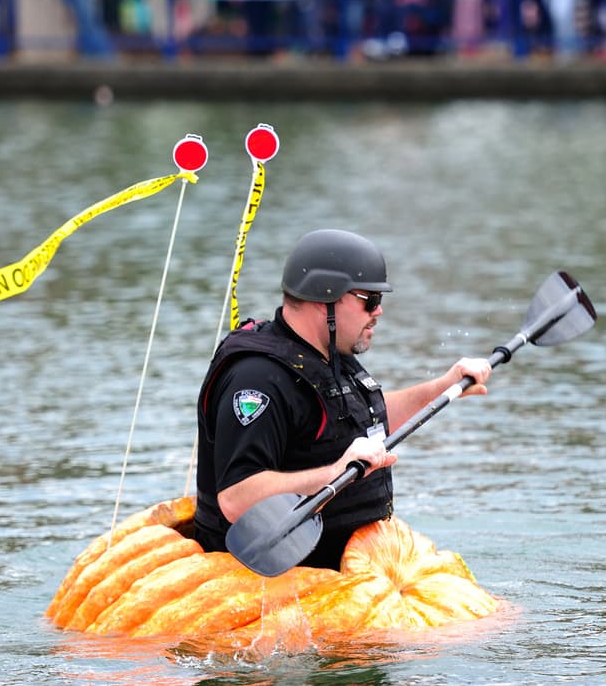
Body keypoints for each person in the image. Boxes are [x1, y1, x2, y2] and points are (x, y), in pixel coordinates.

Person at [194, 229, 493, 571]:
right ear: (327, 300)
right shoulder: (257, 380)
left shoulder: (325, 352)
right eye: (370, 300)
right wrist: (335, 472)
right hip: (269, 576)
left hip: (350, 560)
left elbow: (366, 422)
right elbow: (236, 498)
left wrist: (443, 386)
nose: (378, 312)